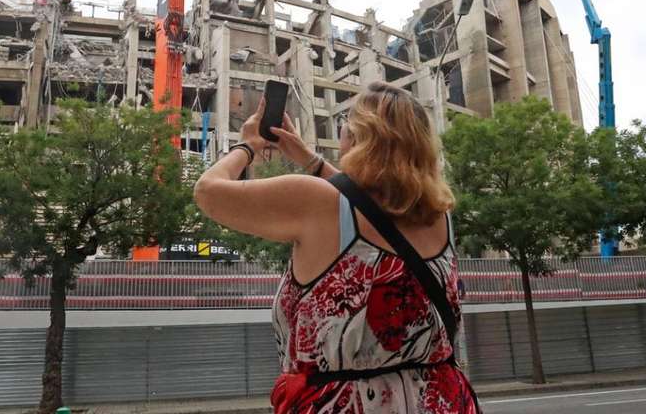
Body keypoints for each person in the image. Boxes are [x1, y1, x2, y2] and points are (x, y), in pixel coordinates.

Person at [194, 81, 479, 413]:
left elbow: (207, 192)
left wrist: (247, 145)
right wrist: (309, 159)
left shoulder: (316, 201)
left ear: (357, 138)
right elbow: (364, 208)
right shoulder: (440, 216)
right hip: (441, 401)